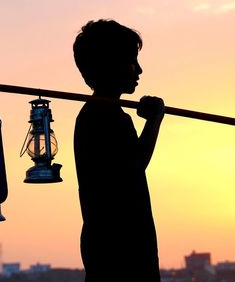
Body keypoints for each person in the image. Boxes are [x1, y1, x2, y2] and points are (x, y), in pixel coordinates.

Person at [73, 19, 165, 281]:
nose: (139, 70)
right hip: (121, 250)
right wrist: (155, 120)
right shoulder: (106, 116)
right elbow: (134, 166)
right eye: (131, 61)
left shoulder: (94, 114)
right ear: (110, 64)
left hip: (105, 246)